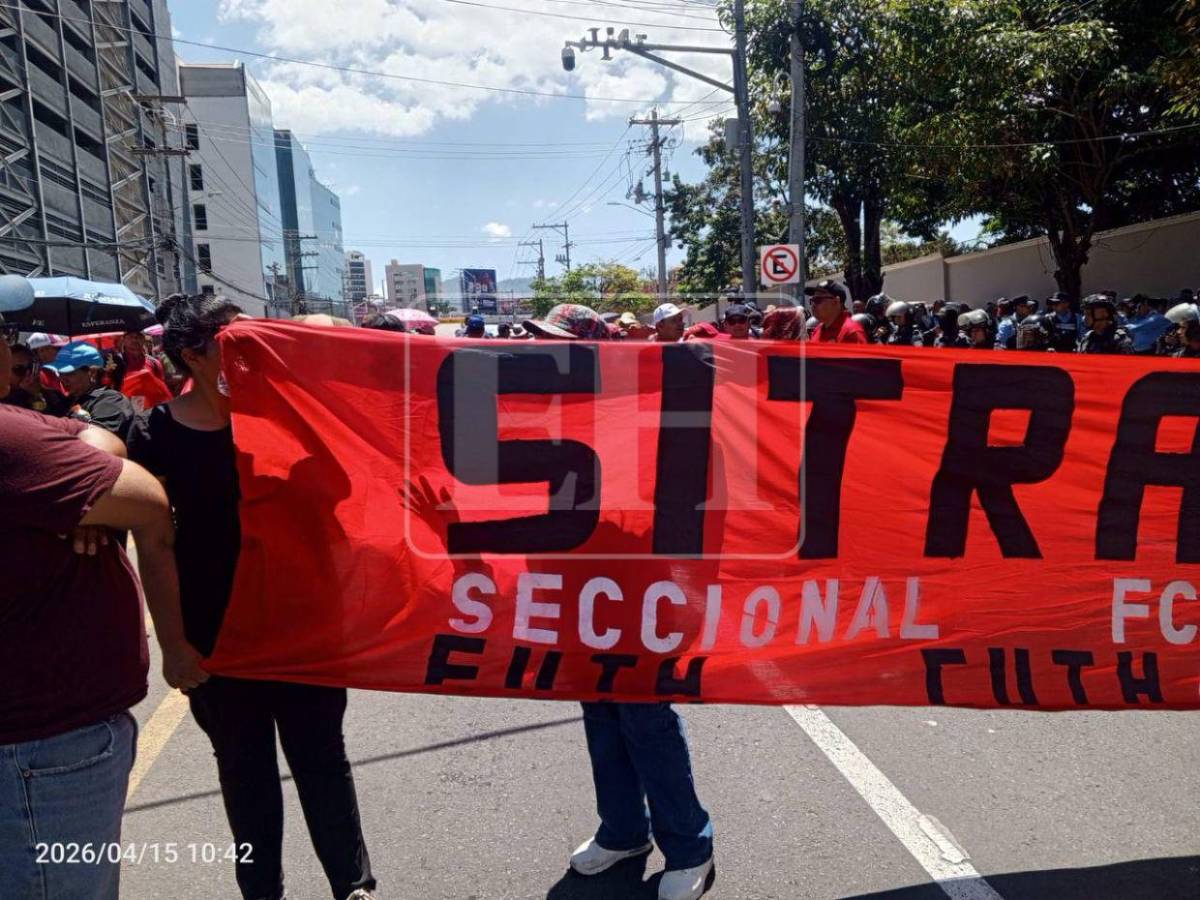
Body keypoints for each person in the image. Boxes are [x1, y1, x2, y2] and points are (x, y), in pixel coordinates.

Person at [127, 294, 377, 900]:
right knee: (245, 777)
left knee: (323, 762)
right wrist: (176, 648)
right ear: (194, 354)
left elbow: (349, 489)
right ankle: (262, 891)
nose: (254, 356)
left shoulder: (288, 420)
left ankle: (355, 886)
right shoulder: (154, 435)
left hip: (303, 628)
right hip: (217, 639)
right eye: (237, 345)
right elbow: (154, 548)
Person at [0, 312, 204, 900]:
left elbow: (102, 438)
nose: (18, 355)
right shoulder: (15, 443)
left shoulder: (27, 433)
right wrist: (89, 490)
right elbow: (146, 500)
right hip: (40, 753)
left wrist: (81, 489)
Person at [46, 341, 136, 442]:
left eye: (69, 373)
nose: (62, 379)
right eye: (60, 373)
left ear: (92, 373)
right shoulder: (65, 401)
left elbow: (97, 442)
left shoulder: (110, 400)